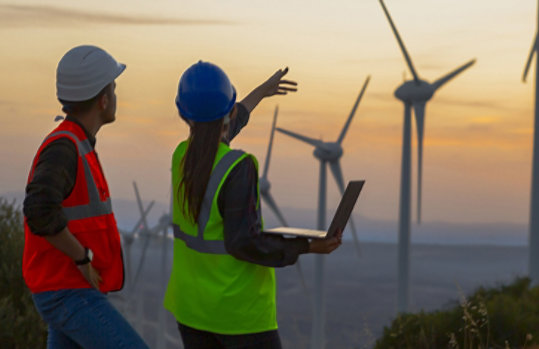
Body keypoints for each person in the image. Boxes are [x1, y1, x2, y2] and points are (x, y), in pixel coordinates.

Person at [164, 61, 343, 349]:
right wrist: (307, 246)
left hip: (191, 310)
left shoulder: (181, 156)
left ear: (183, 114)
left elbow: (219, 130)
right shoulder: (238, 167)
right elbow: (244, 243)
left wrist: (260, 92)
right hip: (238, 314)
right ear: (230, 110)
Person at [22, 45, 148, 349]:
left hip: (66, 288)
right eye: (114, 89)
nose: (117, 97)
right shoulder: (65, 147)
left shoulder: (75, 142)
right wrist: (82, 257)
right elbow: (38, 208)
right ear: (103, 100)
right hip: (66, 290)